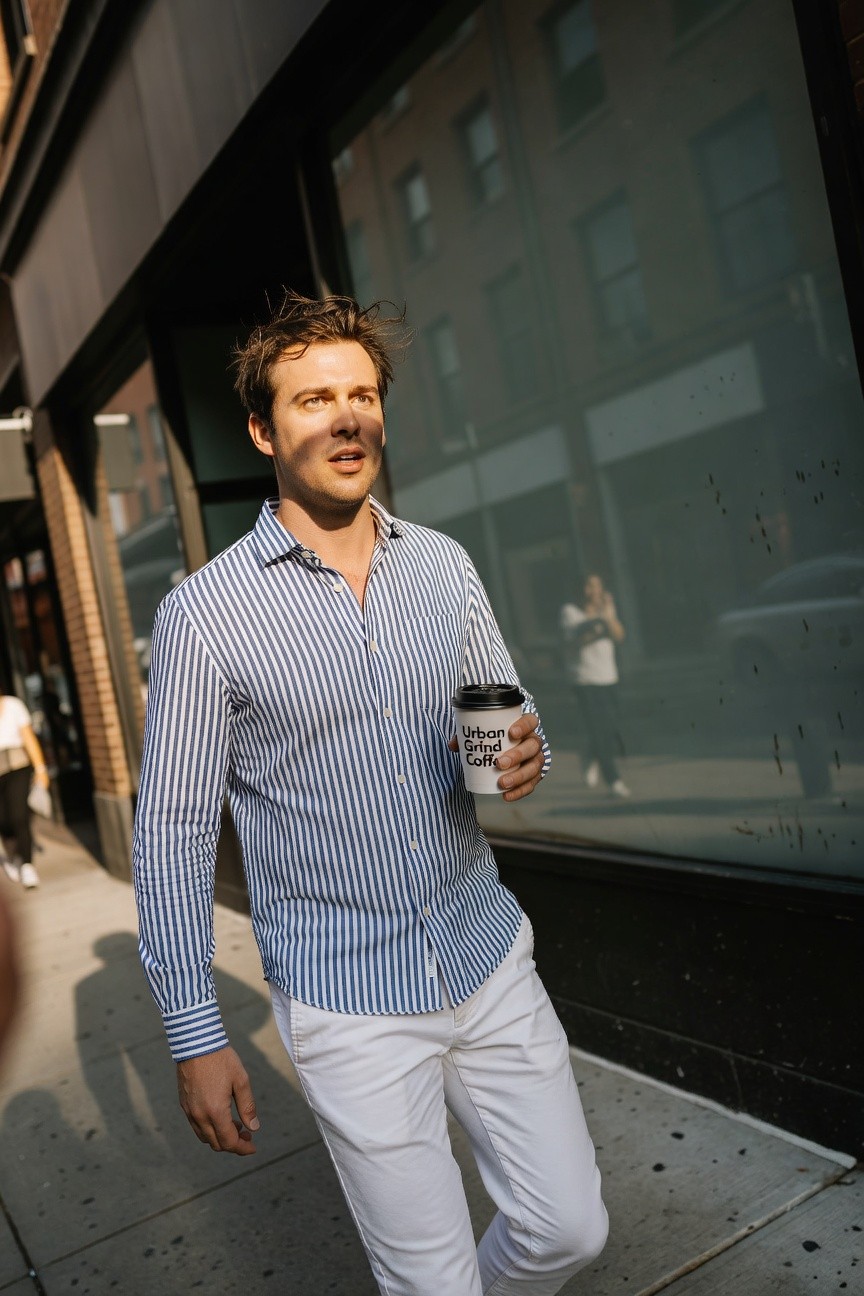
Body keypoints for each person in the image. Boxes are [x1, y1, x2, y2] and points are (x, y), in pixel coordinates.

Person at [133, 292, 608, 1296]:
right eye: (314, 400)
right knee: (432, 1285)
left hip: (485, 957)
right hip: (349, 1003)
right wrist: (195, 1032)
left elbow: (510, 717)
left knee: (569, 1231)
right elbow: (171, 834)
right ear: (264, 429)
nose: (346, 418)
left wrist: (529, 756)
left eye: (361, 395)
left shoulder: (443, 566)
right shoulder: (204, 616)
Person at [561, 575, 630, 798]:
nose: (593, 591)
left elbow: (619, 635)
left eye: (597, 586)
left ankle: (590, 755)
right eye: (589, 586)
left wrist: (607, 616)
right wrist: (597, 622)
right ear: (581, 590)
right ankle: (614, 781)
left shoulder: (606, 610)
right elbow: (576, 640)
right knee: (598, 729)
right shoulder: (570, 612)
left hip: (608, 676)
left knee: (610, 728)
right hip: (584, 679)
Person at [0, 691, 50, 889]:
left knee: (19, 816)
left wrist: (41, 769)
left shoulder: (13, 705)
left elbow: (28, 738)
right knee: (3, 819)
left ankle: (28, 864)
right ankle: (13, 855)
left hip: (18, 766)